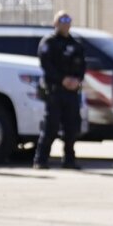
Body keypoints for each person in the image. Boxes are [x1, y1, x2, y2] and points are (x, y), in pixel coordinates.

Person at [34, 11, 86, 169]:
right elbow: (46, 65)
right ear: (55, 23)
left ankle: (69, 160)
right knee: (51, 126)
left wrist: (77, 80)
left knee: (72, 127)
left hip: (72, 92)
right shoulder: (49, 42)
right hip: (55, 91)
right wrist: (62, 79)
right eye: (62, 20)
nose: (65, 24)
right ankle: (41, 160)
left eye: (68, 20)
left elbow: (82, 65)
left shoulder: (75, 44)